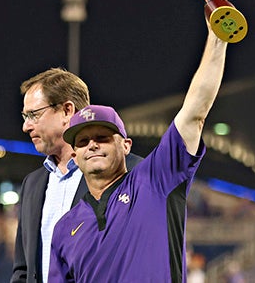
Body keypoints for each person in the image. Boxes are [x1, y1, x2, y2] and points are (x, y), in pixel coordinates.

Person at [48, 15, 229, 282]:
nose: (93, 145)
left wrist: (218, 38)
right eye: (83, 142)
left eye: (103, 137)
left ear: (126, 145)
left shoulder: (155, 180)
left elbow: (194, 114)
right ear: (74, 155)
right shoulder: (64, 228)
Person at [10, 68, 142, 283]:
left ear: (67, 110)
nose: (26, 126)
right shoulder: (32, 184)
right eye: (25, 117)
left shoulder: (132, 173)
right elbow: (23, 270)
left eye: (33, 114)